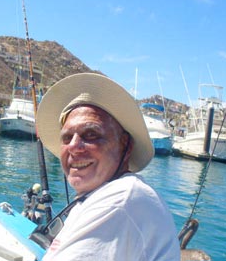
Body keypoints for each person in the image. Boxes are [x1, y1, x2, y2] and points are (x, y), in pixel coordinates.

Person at [36, 73, 180, 260]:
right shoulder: (106, 194)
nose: (73, 146)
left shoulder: (119, 201)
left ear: (125, 146)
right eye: (66, 137)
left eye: (91, 134)